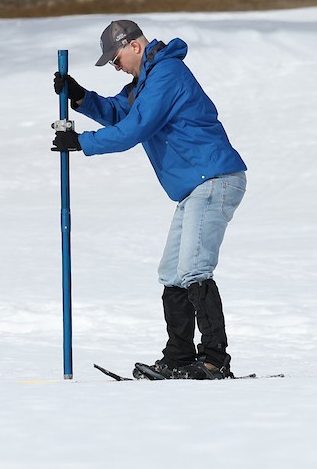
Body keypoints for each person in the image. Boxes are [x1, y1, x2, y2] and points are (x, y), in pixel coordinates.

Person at [52, 19, 248, 380]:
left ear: (135, 46)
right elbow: (120, 112)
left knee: (193, 269)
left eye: (116, 58)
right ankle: (178, 357)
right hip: (194, 187)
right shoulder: (147, 82)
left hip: (214, 179)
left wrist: (83, 143)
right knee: (172, 273)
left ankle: (215, 360)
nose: (116, 66)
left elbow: (134, 129)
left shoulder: (167, 74)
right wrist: (80, 97)